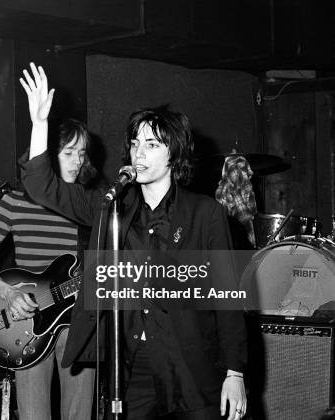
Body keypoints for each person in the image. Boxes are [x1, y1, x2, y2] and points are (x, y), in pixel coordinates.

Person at [19, 63, 247, 420]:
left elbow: (229, 297)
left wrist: (235, 372)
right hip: (132, 368)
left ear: (174, 154)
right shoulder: (112, 207)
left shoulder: (205, 213)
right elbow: (41, 186)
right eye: (135, 142)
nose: (139, 152)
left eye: (151, 144)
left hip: (191, 365)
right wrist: (40, 125)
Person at [0, 119, 98, 419]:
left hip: (77, 323)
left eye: (82, 153)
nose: (78, 161)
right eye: (69, 152)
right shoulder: (14, 203)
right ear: (47, 155)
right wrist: (7, 292)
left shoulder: (88, 205)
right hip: (26, 326)